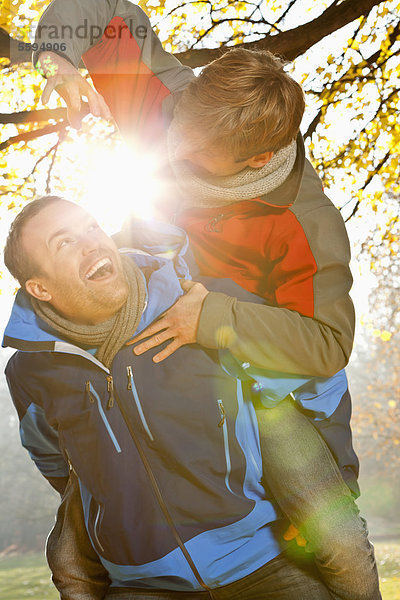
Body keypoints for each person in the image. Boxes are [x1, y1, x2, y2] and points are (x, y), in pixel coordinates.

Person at [3, 196, 380, 600]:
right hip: (141, 583)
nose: (92, 243)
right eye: (64, 243)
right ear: (39, 288)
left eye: (91, 226)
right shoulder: (30, 372)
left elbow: (314, 377)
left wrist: (338, 473)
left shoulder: (196, 299)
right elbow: (56, 461)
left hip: (264, 558)